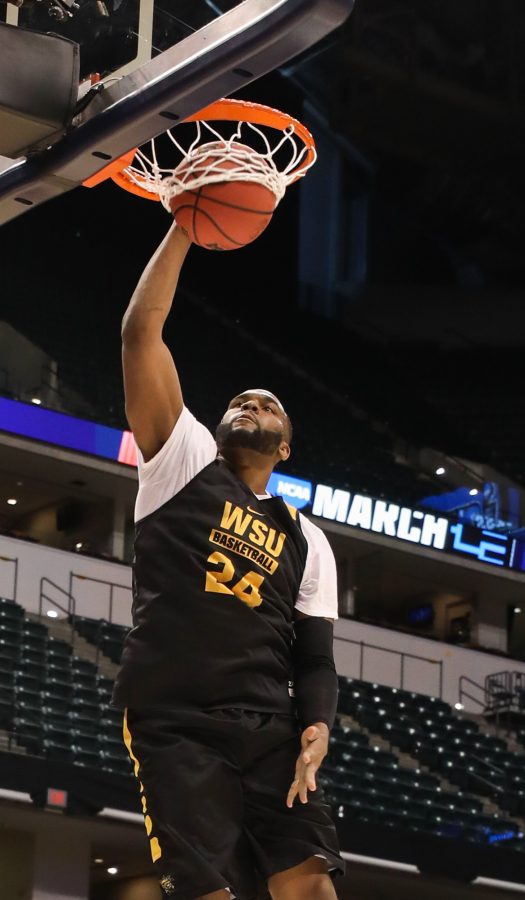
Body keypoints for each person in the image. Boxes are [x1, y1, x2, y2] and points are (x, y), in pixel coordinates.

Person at [112, 221, 345, 900]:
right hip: (176, 719)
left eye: (267, 404)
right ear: (216, 427)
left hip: (269, 730)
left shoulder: (307, 537)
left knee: (311, 888)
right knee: (206, 893)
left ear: (286, 447)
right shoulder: (181, 463)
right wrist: (186, 227)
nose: (252, 404)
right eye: (240, 401)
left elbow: (315, 657)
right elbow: (139, 335)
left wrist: (319, 725)